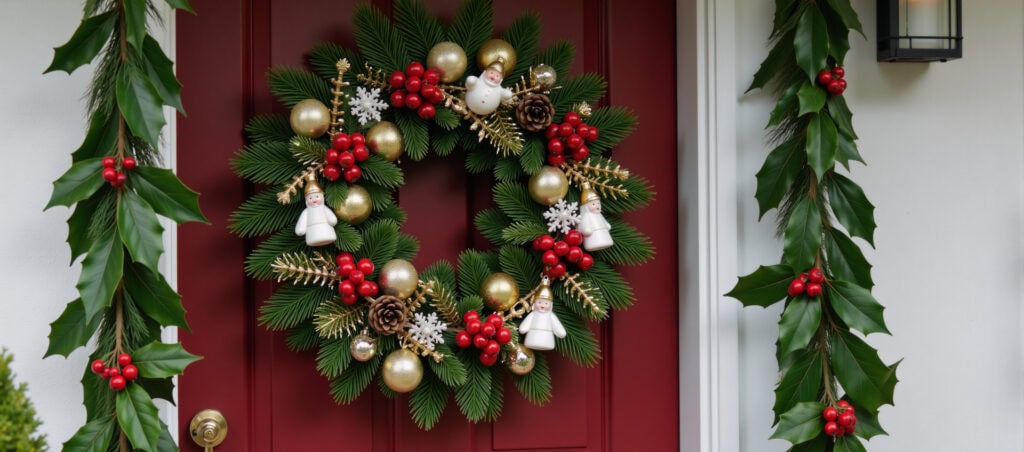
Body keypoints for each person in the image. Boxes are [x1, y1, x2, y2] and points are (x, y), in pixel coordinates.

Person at [518, 278, 566, 351]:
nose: (542, 306)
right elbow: (525, 326)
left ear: (551, 304)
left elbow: (557, 325)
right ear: (535, 302)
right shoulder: (533, 314)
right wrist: (523, 329)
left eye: (546, 303)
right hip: (532, 338)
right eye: (539, 302)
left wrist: (561, 332)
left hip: (547, 340)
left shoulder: (551, 316)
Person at [295, 175, 337, 246]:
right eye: (310, 198)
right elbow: (303, 220)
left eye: (317, 196)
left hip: (327, 231)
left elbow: (330, 215)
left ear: (322, 197)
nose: (314, 200)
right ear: (306, 200)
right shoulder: (306, 212)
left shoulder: (324, 208)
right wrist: (301, 228)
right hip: (312, 234)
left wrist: (332, 219)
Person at [577, 182, 613, 251]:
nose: (597, 206)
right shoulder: (587, 215)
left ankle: (605, 240)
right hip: (592, 238)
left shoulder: (598, 214)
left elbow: (603, 220)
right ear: (586, 206)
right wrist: (586, 229)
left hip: (603, 233)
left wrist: (606, 225)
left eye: (598, 203)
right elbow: (585, 223)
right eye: (593, 204)